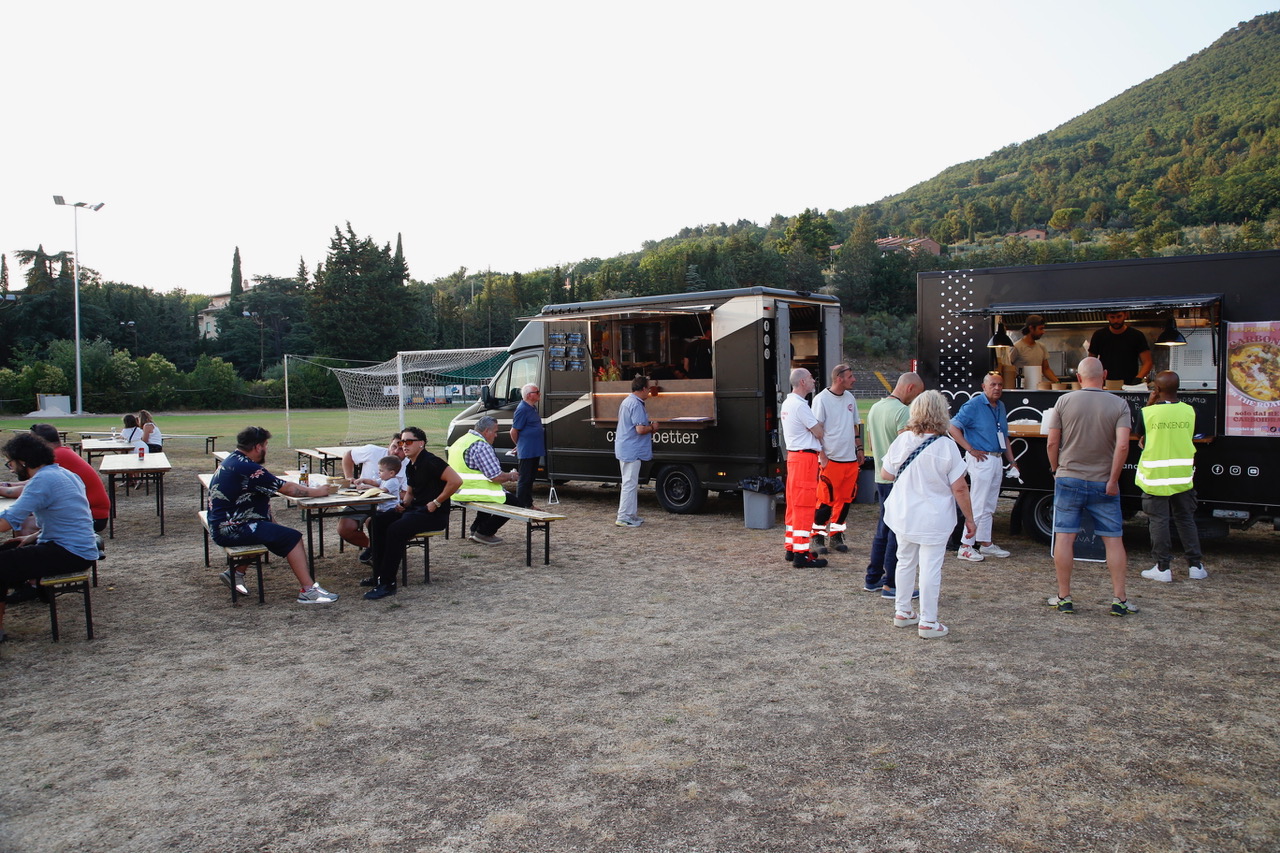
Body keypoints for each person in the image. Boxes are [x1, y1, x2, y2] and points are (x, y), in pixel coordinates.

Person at [1045, 357, 1138, 616]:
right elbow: (1123, 445)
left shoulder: (1063, 401)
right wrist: (1113, 480)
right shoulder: (1119, 404)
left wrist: (1056, 470)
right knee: (1113, 540)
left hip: (1069, 477)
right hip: (1103, 481)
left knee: (1065, 538)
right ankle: (1119, 599)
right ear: (1104, 374)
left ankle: (1064, 597)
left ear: (1078, 377)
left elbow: (1052, 442)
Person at [207, 426, 342, 603]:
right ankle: (308, 590)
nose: (266, 449)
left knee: (272, 530)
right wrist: (318, 492)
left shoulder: (234, 460)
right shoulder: (248, 467)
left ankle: (236, 573)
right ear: (258, 447)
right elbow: (288, 489)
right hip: (231, 528)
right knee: (292, 538)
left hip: (224, 523)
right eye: (265, 445)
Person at [881, 391, 976, 639]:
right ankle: (928, 621)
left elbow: (886, 474)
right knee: (930, 567)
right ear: (942, 413)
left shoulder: (902, 440)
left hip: (904, 513)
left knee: (905, 561)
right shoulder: (947, 446)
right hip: (934, 517)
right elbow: (960, 487)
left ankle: (903, 611)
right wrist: (970, 518)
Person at [0, 433, 100, 642]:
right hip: (80, 546)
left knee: (2, 564)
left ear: (23, 461)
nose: (12, 469)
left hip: (71, 552)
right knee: (7, 550)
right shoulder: (64, 473)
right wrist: (33, 536)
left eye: (11, 463)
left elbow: (7, 522)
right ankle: (32, 588)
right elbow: (71, 516)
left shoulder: (42, 480)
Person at [363, 426, 462, 599]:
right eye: (402, 442)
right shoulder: (410, 465)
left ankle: (387, 583)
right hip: (416, 510)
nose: (404, 446)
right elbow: (410, 492)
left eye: (408, 442)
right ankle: (377, 576)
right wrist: (403, 504)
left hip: (433, 514)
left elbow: (456, 481)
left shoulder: (432, 462)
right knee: (376, 521)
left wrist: (437, 502)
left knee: (396, 530)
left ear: (421, 443)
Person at [1136, 371, 1208, 583]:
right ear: (1178, 388)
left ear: (1156, 389)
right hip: (1182, 475)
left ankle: (1163, 567)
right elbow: (1195, 435)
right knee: (1185, 519)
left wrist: (1150, 403)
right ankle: (1195, 565)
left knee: (1158, 520)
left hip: (1155, 476)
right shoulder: (1191, 411)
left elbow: (1140, 434)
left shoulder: (1147, 413)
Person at [864, 372, 925, 597]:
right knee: (895, 532)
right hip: (897, 479)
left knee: (883, 529)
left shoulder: (875, 408)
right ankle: (891, 583)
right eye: (917, 394)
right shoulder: (902, 412)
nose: (915, 399)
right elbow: (905, 448)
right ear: (910, 388)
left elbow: (872, 444)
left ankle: (873, 578)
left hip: (880, 476)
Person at [948, 371, 1019, 561]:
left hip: (996, 457)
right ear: (984, 387)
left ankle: (985, 542)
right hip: (981, 458)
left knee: (989, 503)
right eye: (993, 384)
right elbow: (952, 426)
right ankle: (965, 545)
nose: (997, 388)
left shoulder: (1000, 406)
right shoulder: (973, 405)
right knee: (978, 502)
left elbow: (1004, 436)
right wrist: (969, 449)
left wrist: (1012, 461)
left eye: (1000, 385)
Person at [810, 364, 864, 555]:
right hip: (831, 459)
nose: (854, 379)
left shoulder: (850, 398)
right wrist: (822, 455)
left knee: (846, 500)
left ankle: (836, 535)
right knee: (825, 501)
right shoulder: (821, 399)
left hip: (849, 460)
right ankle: (817, 536)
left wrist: (859, 447)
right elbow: (816, 430)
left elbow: (854, 425)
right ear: (839, 379)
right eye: (850, 376)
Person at [780, 368, 827, 568]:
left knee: (793, 503)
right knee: (804, 506)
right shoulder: (800, 406)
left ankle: (792, 548)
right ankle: (801, 553)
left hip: (794, 457)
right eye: (810, 378)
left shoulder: (788, 403)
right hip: (805, 459)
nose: (813, 380)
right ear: (802, 382)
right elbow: (819, 432)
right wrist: (819, 425)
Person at [449, 415, 520, 545]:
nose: (496, 435)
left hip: (457, 491)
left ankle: (476, 528)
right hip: (474, 491)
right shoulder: (481, 446)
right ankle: (485, 532)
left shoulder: (461, 441)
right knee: (515, 503)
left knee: (489, 497)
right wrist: (511, 476)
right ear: (487, 431)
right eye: (495, 432)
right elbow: (496, 476)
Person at [337, 434, 406, 563]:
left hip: (386, 505)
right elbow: (348, 455)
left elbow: (405, 494)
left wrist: (390, 494)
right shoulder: (373, 451)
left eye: (401, 449)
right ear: (388, 445)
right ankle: (374, 548)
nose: (396, 451)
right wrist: (349, 477)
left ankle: (380, 552)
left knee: (374, 521)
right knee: (344, 529)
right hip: (363, 499)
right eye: (394, 446)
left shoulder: (408, 465)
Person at [614, 375, 656, 528]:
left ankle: (631, 515)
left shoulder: (627, 401)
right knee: (629, 484)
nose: (649, 391)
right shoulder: (636, 404)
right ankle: (624, 517)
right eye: (648, 388)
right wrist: (653, 427)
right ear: (643, 388)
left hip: (626, 447)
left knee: (629, 483)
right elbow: (640, 429)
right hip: (632, 449)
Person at [1089, 311, 1153, 385]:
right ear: (1107, 317)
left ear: (1125, 315)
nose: (1116, 320)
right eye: (1112, 317)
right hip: (1104, 384)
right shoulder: (1099, 335)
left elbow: (1147, 362)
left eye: (1119, 316)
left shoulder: (1137, 335)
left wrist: (1138, 379)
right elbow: (1090, 361)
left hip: (1130, 384)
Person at [509, 383, 545, 509]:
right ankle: (521, 505)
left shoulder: (532, 408)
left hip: (534, 449)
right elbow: (513, 431)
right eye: (537, 392)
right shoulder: (522, 409)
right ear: (529, 395)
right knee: (525, 479)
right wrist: (519, 445)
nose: (539, 394)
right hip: (527, 450)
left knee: (531, 478)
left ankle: (528, 504)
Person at [1008, 314, 1059, 383]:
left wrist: (1057, 383)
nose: (1043, 332)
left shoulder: (1041, 347)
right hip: (1022, 388)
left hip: (1037, 387)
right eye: (1040, 329)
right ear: (1031, 328)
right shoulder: (1016, 347)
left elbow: (1046, 369)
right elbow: (1007, 368)